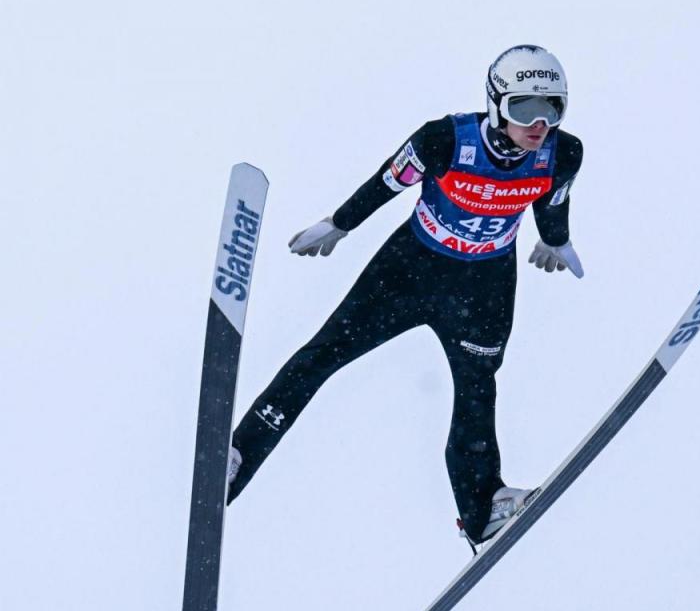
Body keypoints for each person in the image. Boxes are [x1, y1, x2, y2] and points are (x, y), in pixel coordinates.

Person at [226, 45, 585, 546]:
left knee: (478, 390)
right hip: (410, 271)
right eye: (526, 108)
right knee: (322, 355)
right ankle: (238, 457)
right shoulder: (443, 139)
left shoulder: (562, 153)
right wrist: (339, 224)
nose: (540, 123)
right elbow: (387, 182)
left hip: (484, 287)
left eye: (554, 109)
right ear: (497, 102)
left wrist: (556, 238)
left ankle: (485, 510)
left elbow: (551, 198)